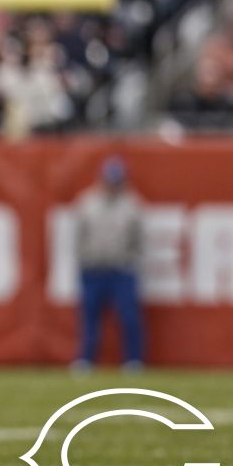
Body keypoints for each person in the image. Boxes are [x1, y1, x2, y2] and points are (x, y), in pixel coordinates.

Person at [73, 156, 145, 371]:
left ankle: (133, 361)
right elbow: (79, 236)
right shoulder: (87, 202)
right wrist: (85, 259)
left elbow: (138, 239)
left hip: (121, 270)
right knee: (90, 319)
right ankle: (86, 360)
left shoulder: (132, 205)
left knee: (129, 317)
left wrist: (129, 260)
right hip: (93, 269)